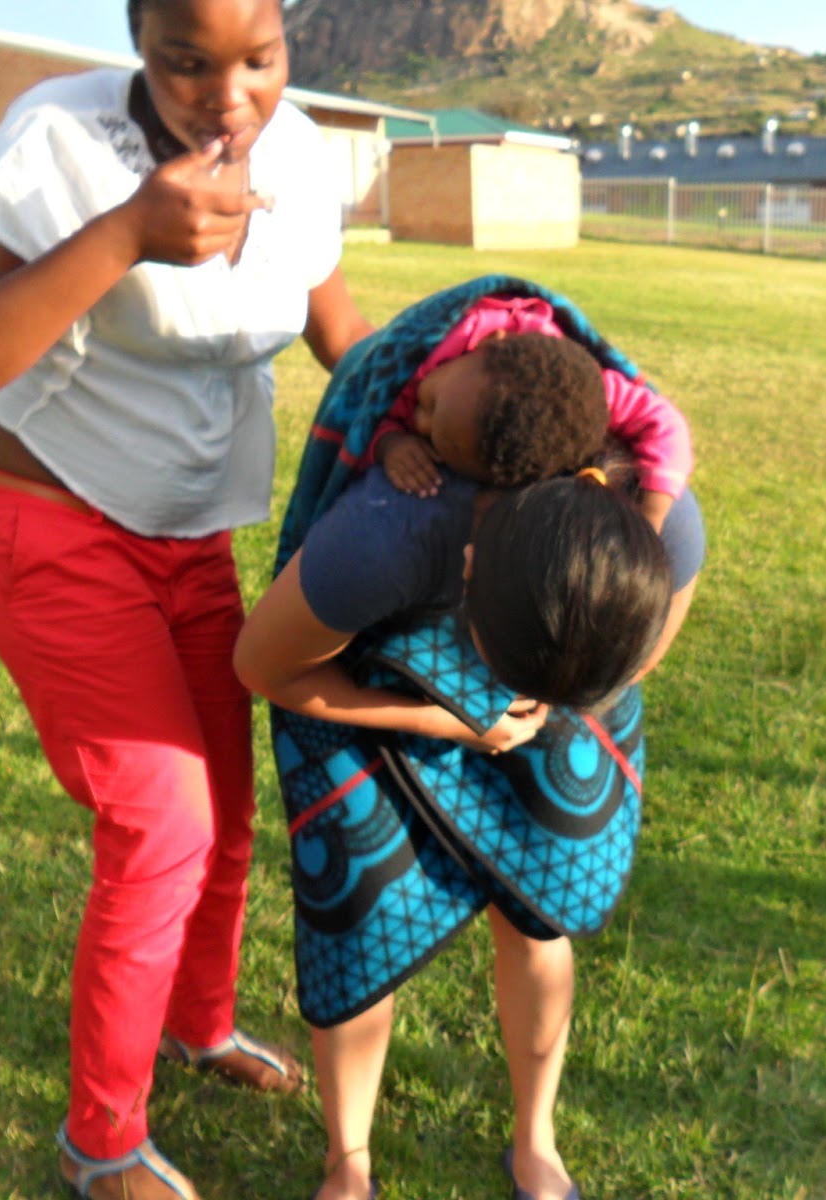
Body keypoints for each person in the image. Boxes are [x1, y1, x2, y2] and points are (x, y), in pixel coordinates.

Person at [0, 2, 372, 1197]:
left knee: (228, 812)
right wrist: (124, 234)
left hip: (193, 545)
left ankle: (199, 1024)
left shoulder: (298, 153)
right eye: (185, 64)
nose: (228, 96)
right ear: (137, 41)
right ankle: (99, 1142)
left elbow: (339, 330)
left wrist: (456, 392)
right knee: (163, 826)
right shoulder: (56, 139)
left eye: (258, 60)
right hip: (50, 529)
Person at [233, 279, 704, 1200]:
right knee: (364, 919)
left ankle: (536, 1140)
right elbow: (267, 666)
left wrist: (553, 703)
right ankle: (348, 1162)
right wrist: (437, 717)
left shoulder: (649, 526)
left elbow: (641, 651)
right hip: (379, 695)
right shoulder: (386, 534)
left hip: (559, 686)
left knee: (537, 909)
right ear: (470, 566)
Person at [366, 294, 692, 533]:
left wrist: (648, 518)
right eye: (430, 403)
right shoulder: (431, 350)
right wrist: (389, 442)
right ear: (489, 343)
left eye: (430, 412)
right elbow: (366, 409)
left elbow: (663, 425)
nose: (418, 422)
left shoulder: (576, 403)